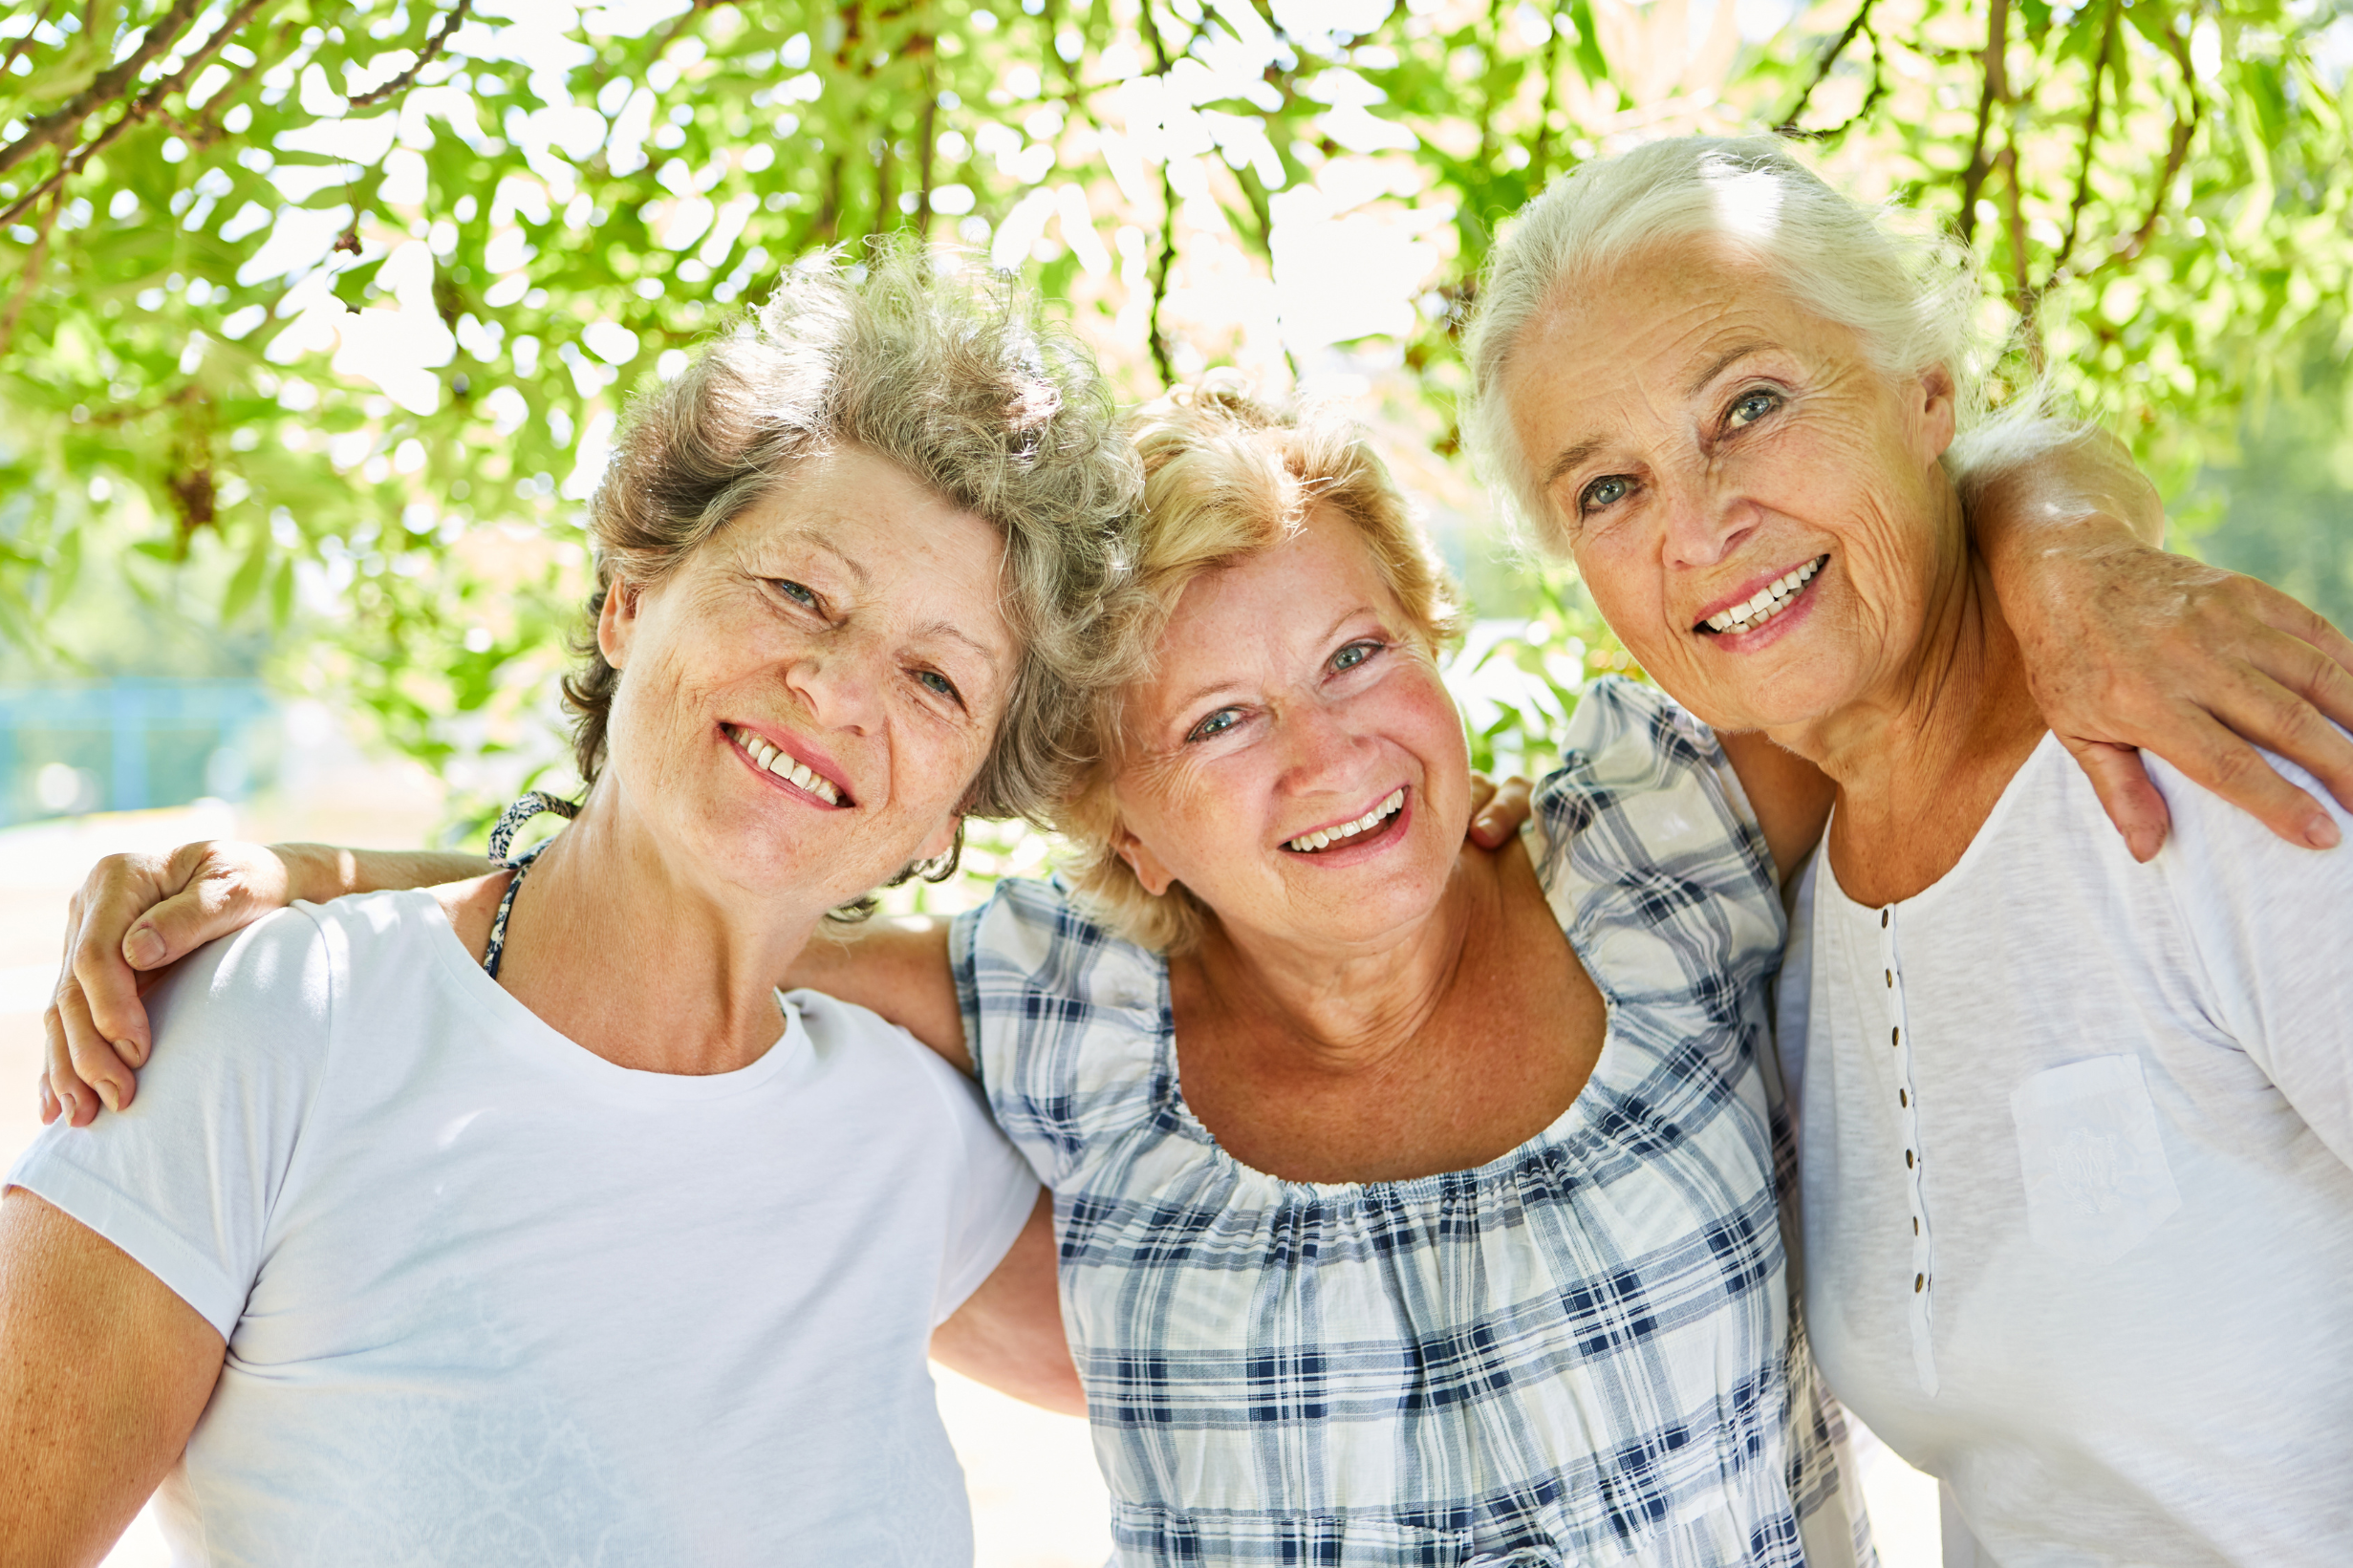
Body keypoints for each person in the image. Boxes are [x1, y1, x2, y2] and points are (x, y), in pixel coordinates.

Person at [42, 375, 2353, 1564]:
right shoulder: (1056, 1010)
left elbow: (1941, 504)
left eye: (1360, 654)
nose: (1327, 752)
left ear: (1449, 673)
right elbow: (710, 868)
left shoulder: (1666, 836)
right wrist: (306, 862)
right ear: (1114, 823)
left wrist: (2082, 568)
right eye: (1217, 721)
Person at [0, 249, 1145, 1566]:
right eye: (796, 591)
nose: (837, 690)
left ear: (954, 810)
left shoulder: (913, 1137)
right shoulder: (272, 1020)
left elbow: (1278, 1342)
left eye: (936, 682)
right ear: (630, 596)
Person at [1464, 134, 2353, 1563]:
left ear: (1922, 389)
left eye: (1746, 405)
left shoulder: (2201, 774)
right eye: (1606, 490)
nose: (1697, 531)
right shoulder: (1785, 908)